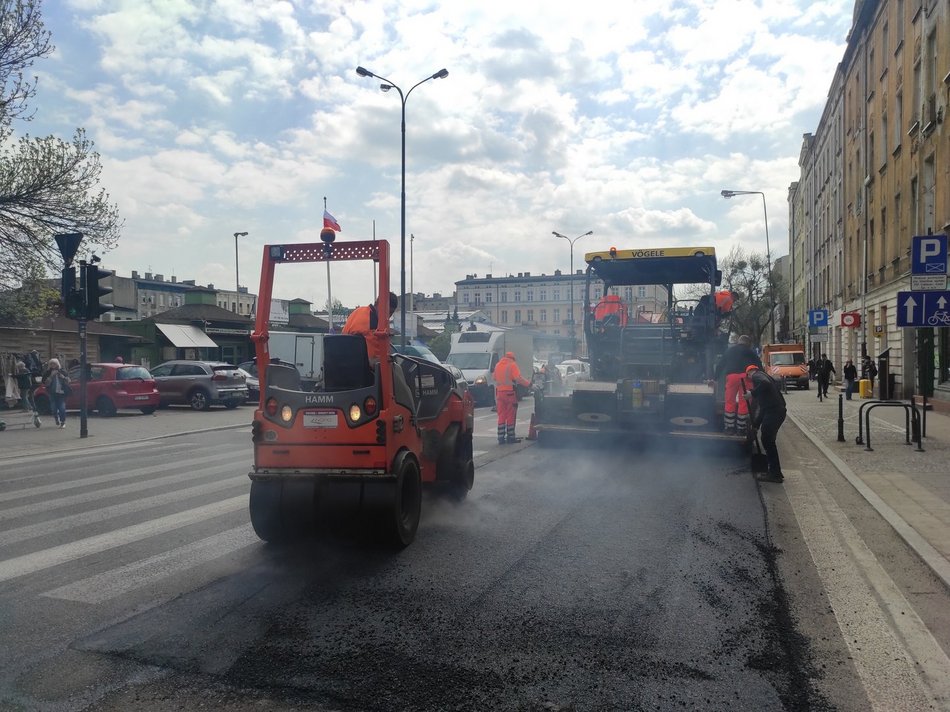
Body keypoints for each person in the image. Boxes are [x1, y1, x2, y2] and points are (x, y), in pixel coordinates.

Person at [711, 335, 763, 434]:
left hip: (732, 377)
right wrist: (761, 379)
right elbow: (759, 365)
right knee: (744, 402)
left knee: (730, 401)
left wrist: (715, 378)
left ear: (739, 342)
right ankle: (741, 428)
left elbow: (720, 365)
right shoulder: (750, 352)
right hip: (746, 377)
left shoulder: (730, 351)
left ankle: (729, 428)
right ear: (748, 343)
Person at [745, 364, 787, 483]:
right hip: (776, 411)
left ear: (750, 372)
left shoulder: (757, 376)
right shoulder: (765, 376)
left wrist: (752, 393)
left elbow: (765, 384)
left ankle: (775, 474)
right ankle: (776, 471)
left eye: (748, 376)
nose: (750, 380)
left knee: (768, 440)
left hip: (775, 412)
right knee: (768, 440)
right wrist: (756, 425)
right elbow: (763, 408)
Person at [493, 351, 532, 444]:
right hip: (509, 393)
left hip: (499, 393)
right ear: (513, 358)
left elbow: (494, 377)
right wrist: (528, 384)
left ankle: (500, 437)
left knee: (501, 415)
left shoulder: (497, 365)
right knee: (510, 415)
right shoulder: (512, 364)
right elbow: (518, 378)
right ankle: (511, 437)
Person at [43, 358, 71, 428]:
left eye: (54, 363)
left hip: (61, 392)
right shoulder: (48, 372)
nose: (53, 365)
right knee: (54, 408)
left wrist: (63, 377)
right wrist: (51, 376)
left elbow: (69, 381)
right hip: (52, 392)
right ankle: (56, 418)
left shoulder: (62, 371)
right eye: (51, 364)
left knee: (62, 407)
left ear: (57, 364)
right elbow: (45, 383)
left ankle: (63, 422)